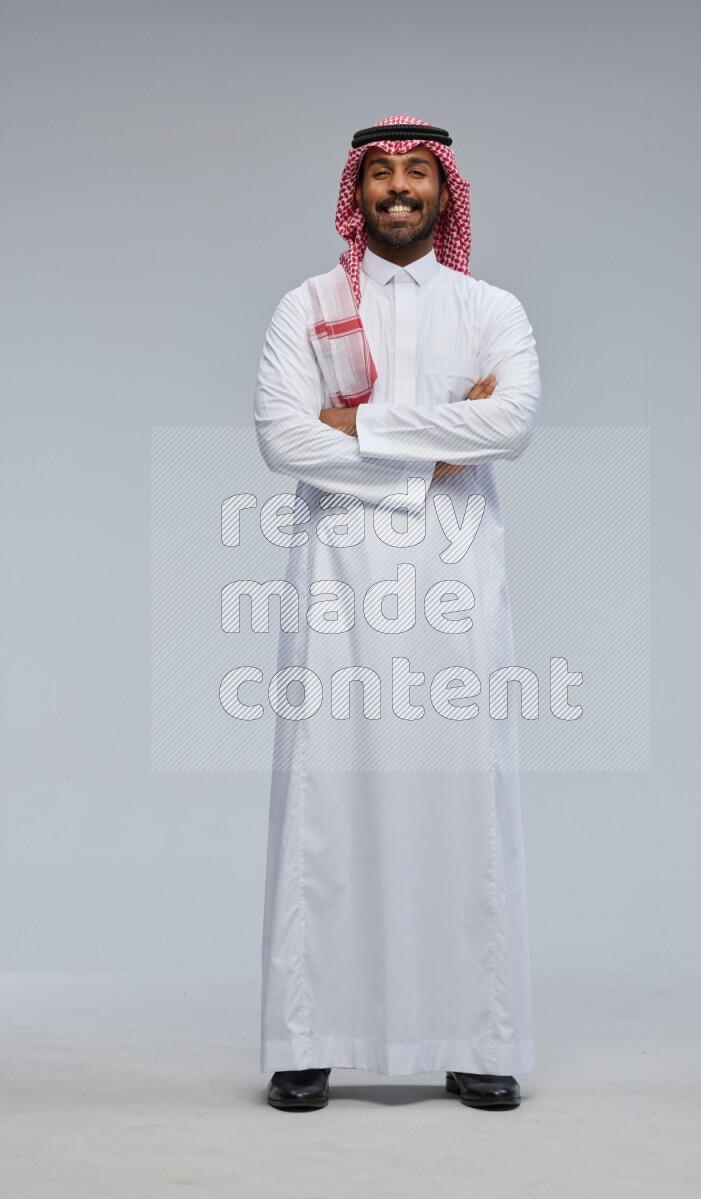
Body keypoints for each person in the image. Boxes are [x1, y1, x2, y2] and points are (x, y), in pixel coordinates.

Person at [252, 115, 541, 1111]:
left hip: (455, 582)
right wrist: (435, 449)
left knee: (462, 793)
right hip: (339, 579)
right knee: (328, 797)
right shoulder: (308, 305)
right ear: (357, 193)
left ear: (445, 191)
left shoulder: (490, 308)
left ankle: (475, 1037)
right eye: (380, 173)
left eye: (418, 171)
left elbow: (511, 420)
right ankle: (307, 1036)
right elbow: (283, 439)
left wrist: (361, 425)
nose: (399, 188)